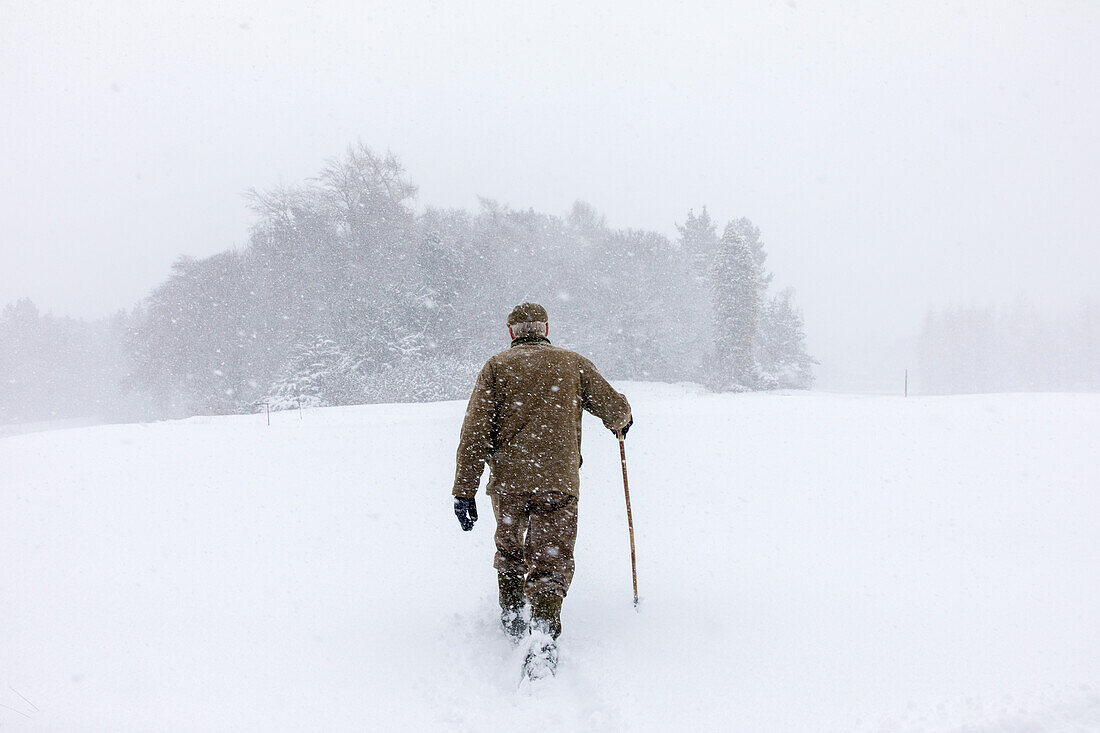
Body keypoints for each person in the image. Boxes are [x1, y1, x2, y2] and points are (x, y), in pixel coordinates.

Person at [452, 302, 632, 654]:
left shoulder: (497, 367)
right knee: (552, 559)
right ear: (545, 329)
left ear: (511, 333)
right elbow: (615, 408)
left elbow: (474, 432)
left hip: (508, 484)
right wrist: (621, 419)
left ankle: (512, 617)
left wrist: (465, 490)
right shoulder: (572, 363)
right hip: (558, 482)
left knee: (510, 549)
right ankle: (545, 631)